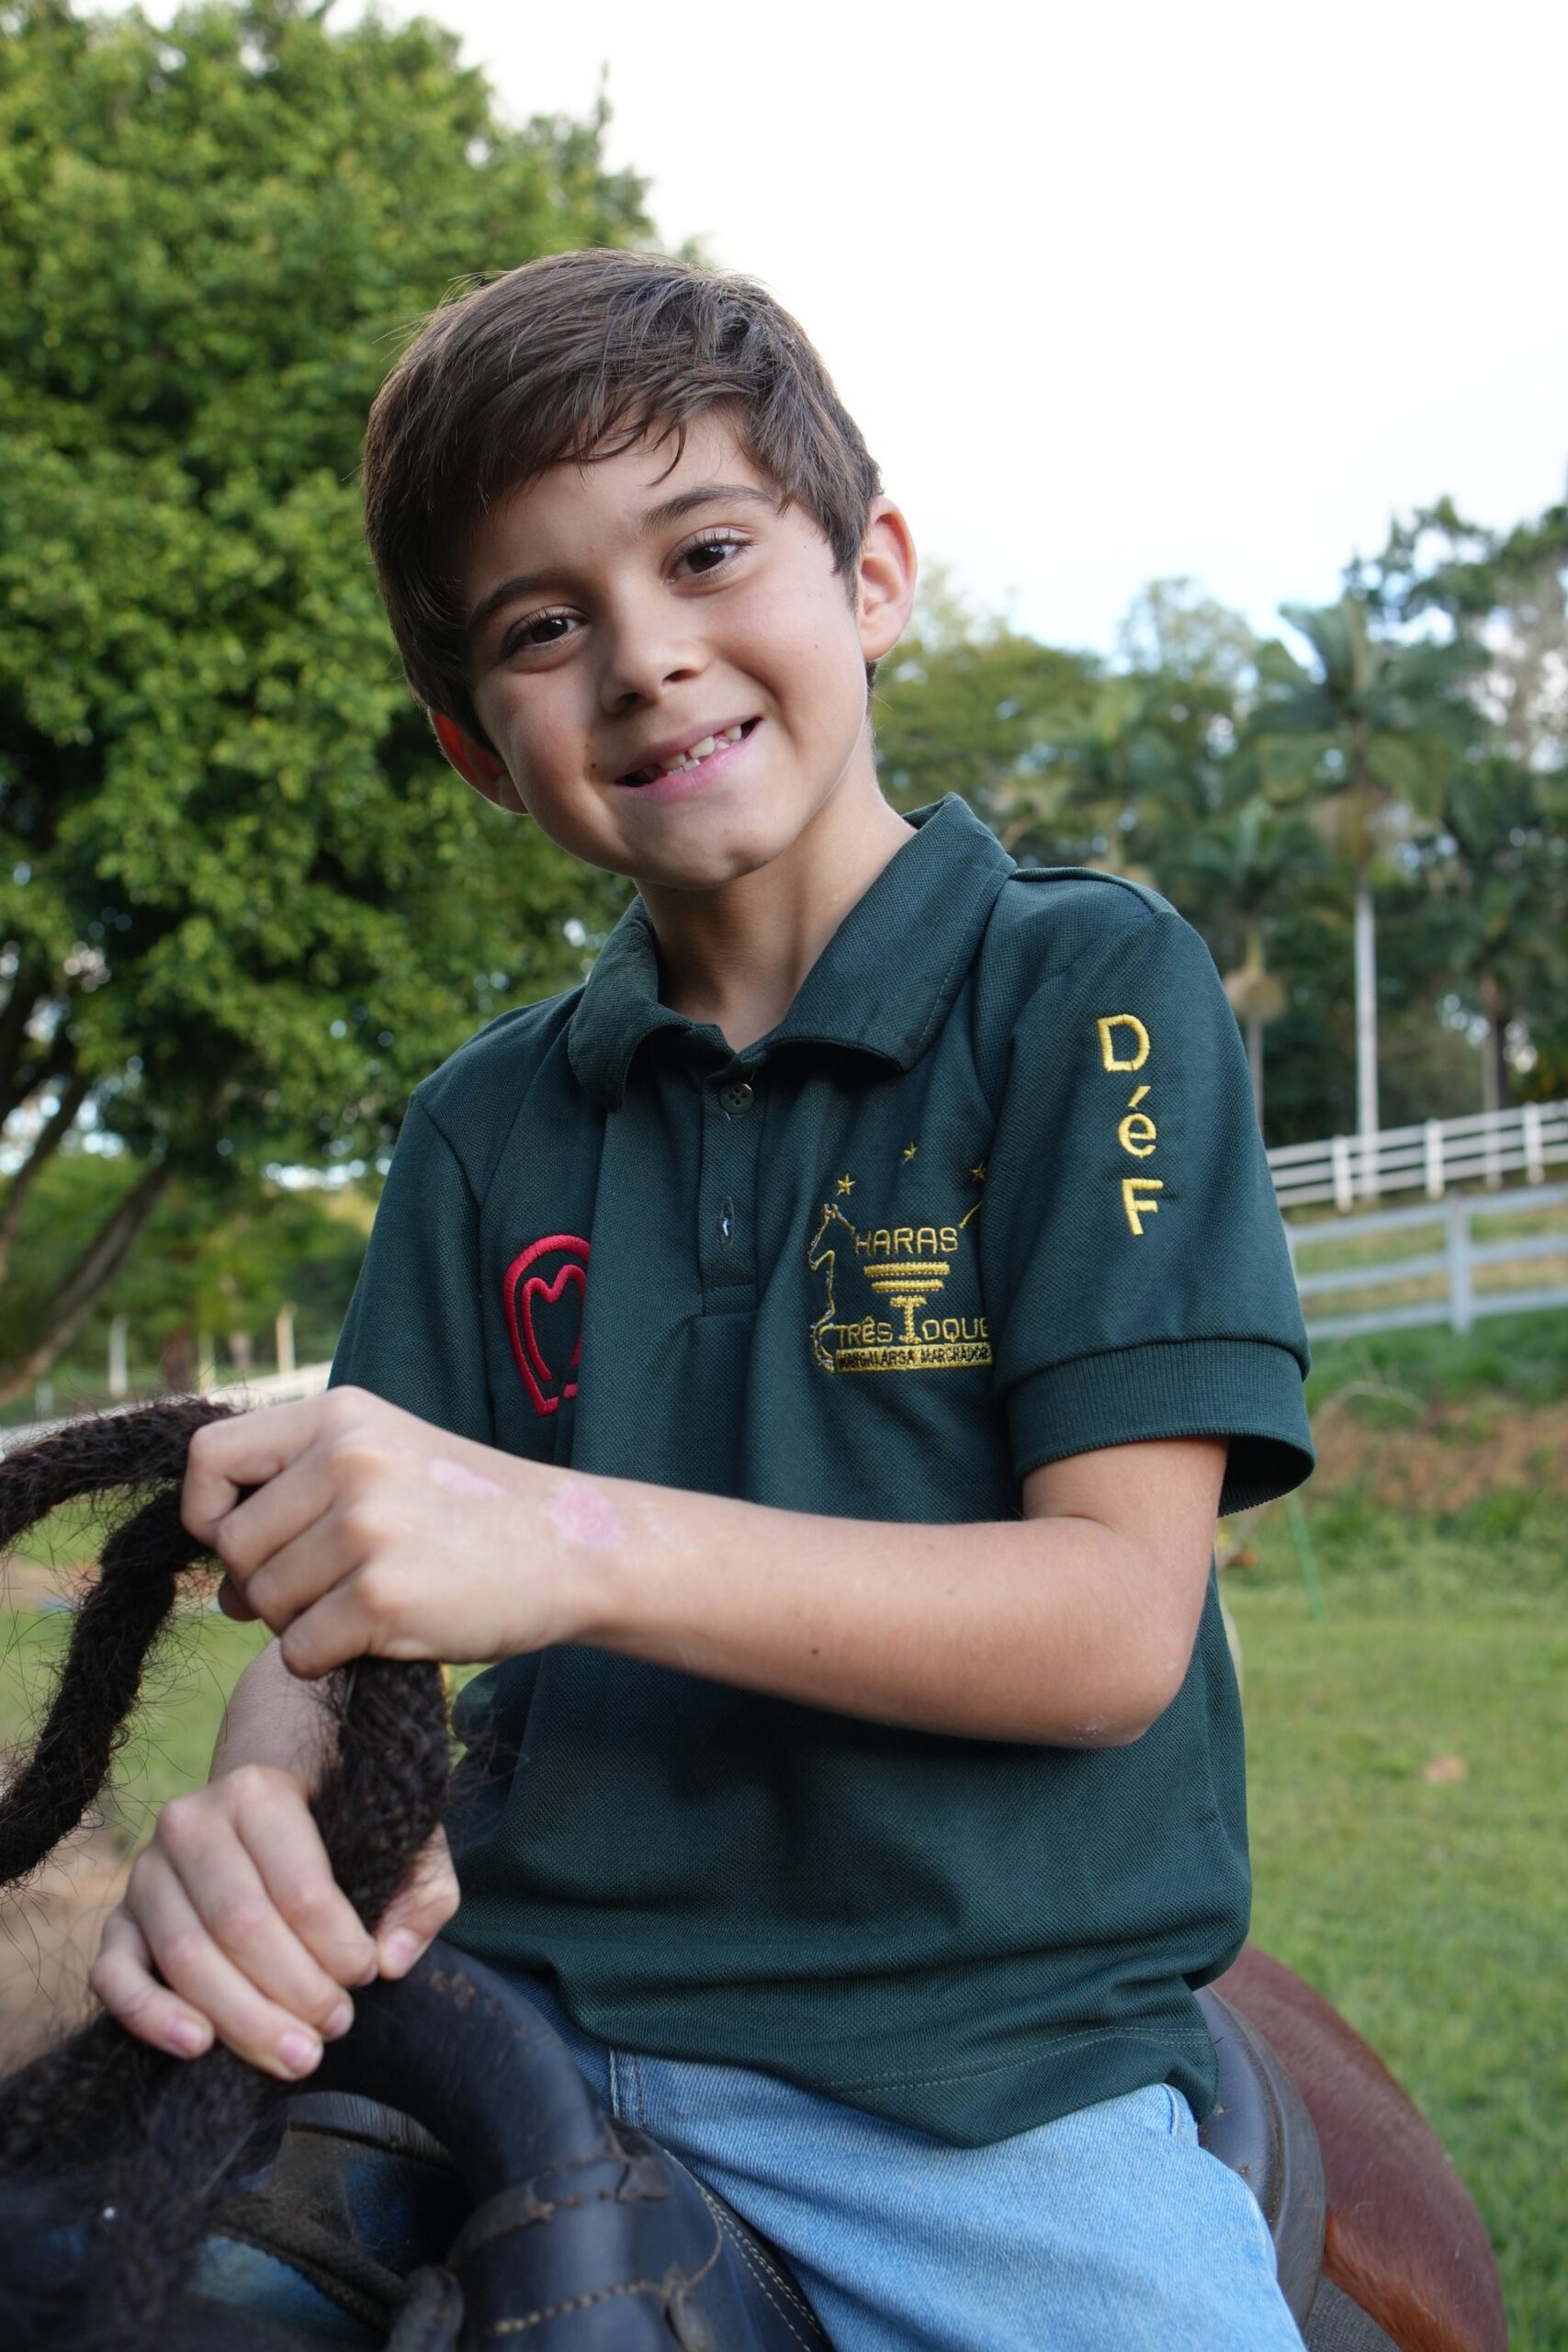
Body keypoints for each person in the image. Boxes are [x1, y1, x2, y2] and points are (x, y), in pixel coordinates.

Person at [89, 252, 1315, 2350]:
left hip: (962, 2082)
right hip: (509, 2000)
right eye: (542, 626)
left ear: (872, 575)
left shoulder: (1085, 992)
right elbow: (336, 1595)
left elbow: (1113, 1626)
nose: (646, 659)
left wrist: (565, 1537)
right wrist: (260, 1823)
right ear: (483, 750)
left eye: (708, 550)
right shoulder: (482, 1121)